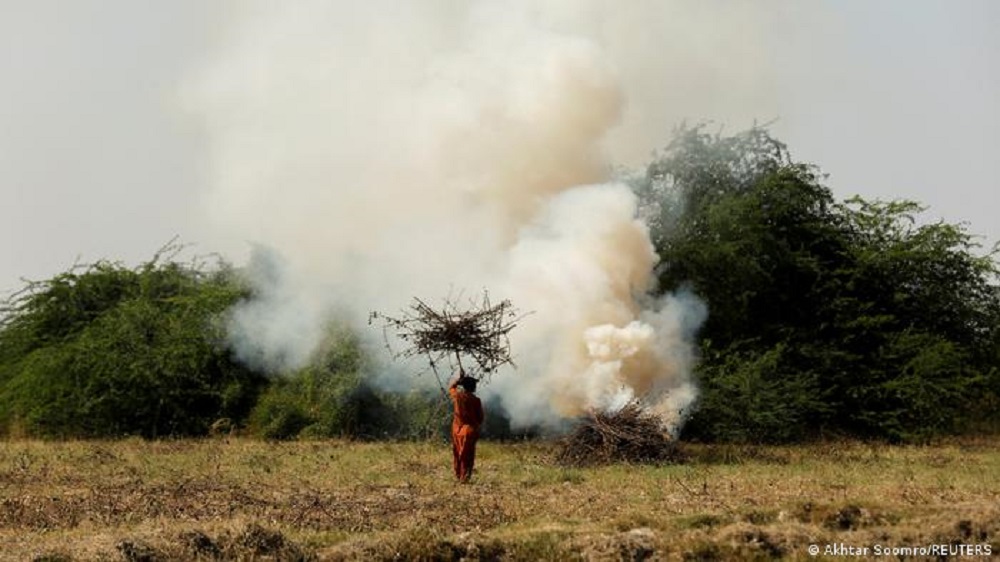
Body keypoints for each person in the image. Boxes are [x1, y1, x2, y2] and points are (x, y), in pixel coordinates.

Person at [448, 371, 484, 482]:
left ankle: (458, 475)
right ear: (473, 387)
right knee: (468, 455)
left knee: (458, 453)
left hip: (456, 430)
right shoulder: (476, 400)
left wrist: (458, 380)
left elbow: (451, 387)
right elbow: (480, 418)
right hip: (469, 431)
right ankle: (465, 477)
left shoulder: (457, 396)